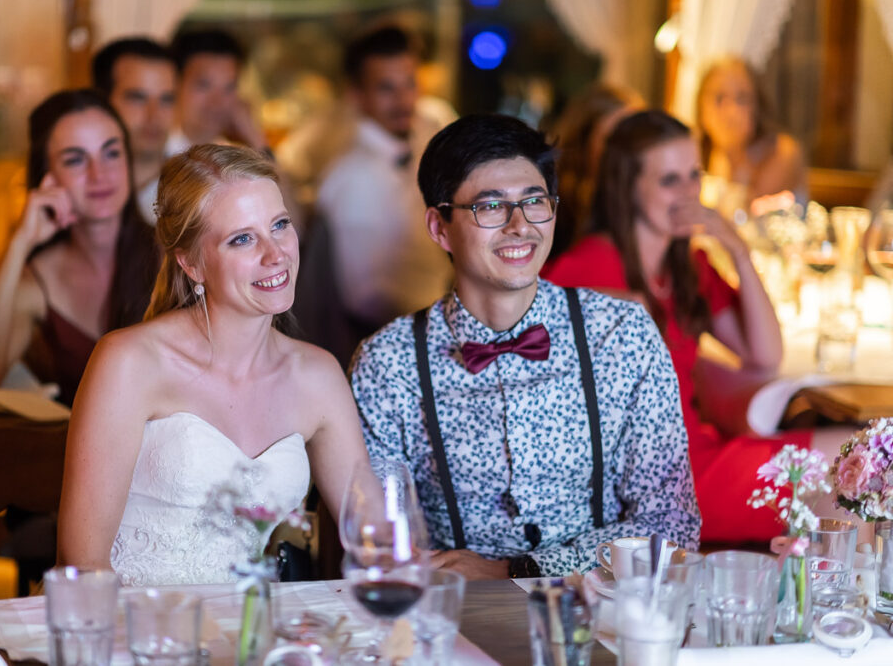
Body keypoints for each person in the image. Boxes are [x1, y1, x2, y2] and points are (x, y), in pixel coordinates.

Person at [350, 114, 700, 579]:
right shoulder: (387, 364)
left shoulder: (621, 335)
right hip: (453, 616)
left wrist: (514, 570)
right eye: (490, 208)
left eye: (535, 202)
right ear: (439, 227)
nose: (520, 226)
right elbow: (378, 540)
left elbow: (673, 526)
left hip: (602, 609)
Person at [57, 144, 370, 586]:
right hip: (137, 632)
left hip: (249, 636)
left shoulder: (317, 375)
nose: (275, 254)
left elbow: (375, 536)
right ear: (191, 263)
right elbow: (82, 566)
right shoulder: (129, 363)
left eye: (279, 225)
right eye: (242, 238)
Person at [543, 109, 818, 542]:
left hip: (700, 454)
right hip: (655, 483)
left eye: (695, 175)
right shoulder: (583, 270)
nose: (689, 192)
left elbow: (765, 353)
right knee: (847, 473)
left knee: (857, 459)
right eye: (670, 180)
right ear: (627, 186)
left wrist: (737, 249)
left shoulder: (688, 267)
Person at [0, 89, 159, 407]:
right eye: (76, 159)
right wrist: (19, 245)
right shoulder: (39, 277)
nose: (99, 174)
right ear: (47, 178)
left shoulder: (174, 256)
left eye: (111, 153)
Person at [315, 25, 454, 336]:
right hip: (397, 336)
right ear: (357, 95)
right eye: (386, 88)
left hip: (449, 313)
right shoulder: (348, 177)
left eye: (409, 84)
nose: (404, 100)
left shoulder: (432, 133)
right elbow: (366, 298)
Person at [544, 83, 643, 261]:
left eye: (634, 139)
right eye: (613, 139)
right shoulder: (555, 205)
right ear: (583, 142)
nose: (627, 151)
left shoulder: (642, 199)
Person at [696, 57, 807, 207]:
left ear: (757, 106)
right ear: (701, 105)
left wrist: (728, 150)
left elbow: (744, 214)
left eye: (742, 99)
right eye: (719, 98)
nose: (731, 111)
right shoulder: (693, 151)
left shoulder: (782, 151)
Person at [91, 37, 177, 225]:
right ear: (101, 103)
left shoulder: (196, 193)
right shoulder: (79, 190)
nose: (154, 115)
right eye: (137, 98)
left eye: (166, 100)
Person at [167, 30, 270, 156]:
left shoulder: (232, 156)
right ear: (174, 83)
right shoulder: (152, 154)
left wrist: (255, 137)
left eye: (229, 87)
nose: (217, 102)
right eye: (204, 85)